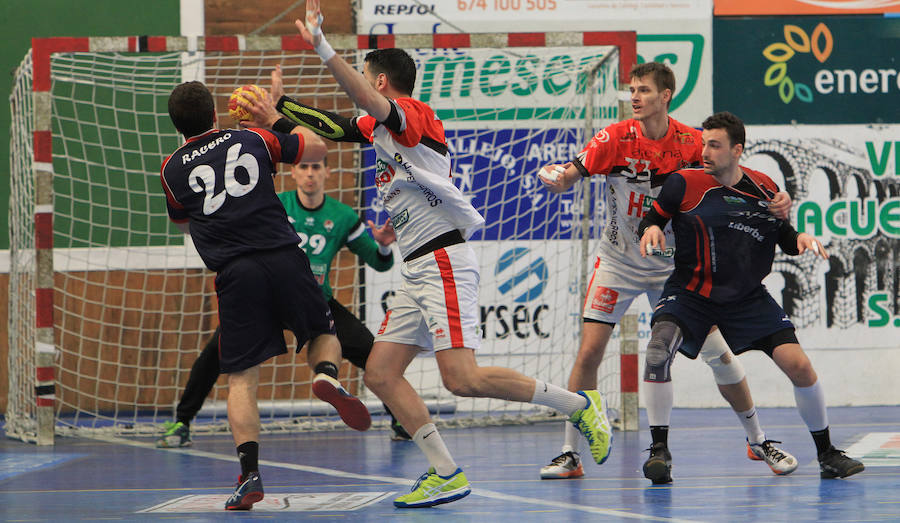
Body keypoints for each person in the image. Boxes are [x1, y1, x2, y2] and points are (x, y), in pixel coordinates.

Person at [239, 0, 615, 508]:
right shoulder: (378, 129)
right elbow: (332, 126)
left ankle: (578, 406)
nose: (364, 91)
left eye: (368, 80)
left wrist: (324, 49)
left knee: (463, 379)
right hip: (417, 267)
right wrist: (279, 113)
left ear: (382, 85)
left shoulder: (413, 116)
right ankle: (445, 473)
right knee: (379, 374)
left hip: (443, 260)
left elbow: (364, 106)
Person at [537, 62, 797, 480]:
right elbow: (570, 174)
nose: (635, 97)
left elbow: (738, 178)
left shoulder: (693, 144)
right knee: (588, 353)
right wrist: (556, 177)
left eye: (643, 90)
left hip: (675, 270)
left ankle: (757, 438)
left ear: (666, 96)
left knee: (718, 355)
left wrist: (778, 202)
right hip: (619, 262)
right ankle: (570, 452)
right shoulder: (615, 137)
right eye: (631, 90)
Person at [160, 81, 371, 510]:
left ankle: (250, 474)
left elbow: (184, 224)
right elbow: (313, 149)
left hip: (235, 273)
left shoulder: (172, 169)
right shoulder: (252, 137)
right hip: (284, 255)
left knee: (241, 377)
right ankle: (327, 373)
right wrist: (272, 117)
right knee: (322, 331)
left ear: (177, 127)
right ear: (217, 114)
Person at [637, 111, 865, 483]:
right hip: (691, 292)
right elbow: (652, 219)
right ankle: (660, 451)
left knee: (801, 367)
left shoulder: (764, 188)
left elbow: (785, 237)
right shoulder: (683, 183)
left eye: (714, 145)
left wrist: (801, 239)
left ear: (737, 150)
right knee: (658, 351)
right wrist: (651, 232)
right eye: (702, 143)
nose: (705, 152)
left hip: (747, 298)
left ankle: (827, 454)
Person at [156, 156, 411, 449]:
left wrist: (381, 243)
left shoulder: (342, 216)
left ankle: (400, 418)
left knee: (370, 352)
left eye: (316, 166)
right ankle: (182, 422)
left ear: (328, 171)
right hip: (266, 299)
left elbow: (378, 263)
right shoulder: (274, 205)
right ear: (293, 172)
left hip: (314, 300)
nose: (310, 174)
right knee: (215, 353)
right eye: (304, 167)